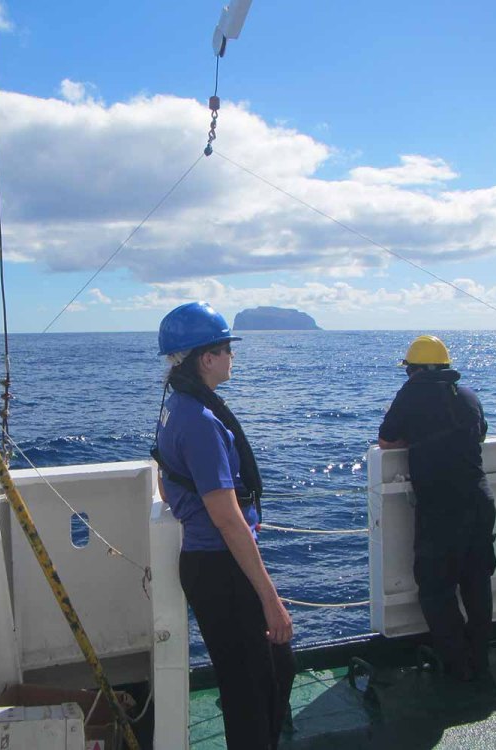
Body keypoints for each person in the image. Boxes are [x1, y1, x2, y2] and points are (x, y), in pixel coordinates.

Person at [152, 301, 296, 750]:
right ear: (206, 358)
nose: (232, 356)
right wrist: (270, 600)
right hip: (222, 566)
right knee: (253, 689)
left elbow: (166, 483)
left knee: (261, 674)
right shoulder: (199, 421)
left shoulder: (177, 406)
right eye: (226, 348)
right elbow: (227, 519)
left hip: (210, 564)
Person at [378, 334, 496, 680]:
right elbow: (479, 434)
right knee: (477, 582)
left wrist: (414, 436)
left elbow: (386, 440)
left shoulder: (412, 393)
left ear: (415, 370)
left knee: (436, 588)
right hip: (480, 500)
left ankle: (457, 666)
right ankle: (480, 660)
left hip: (442, 507)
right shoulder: (468, 394)